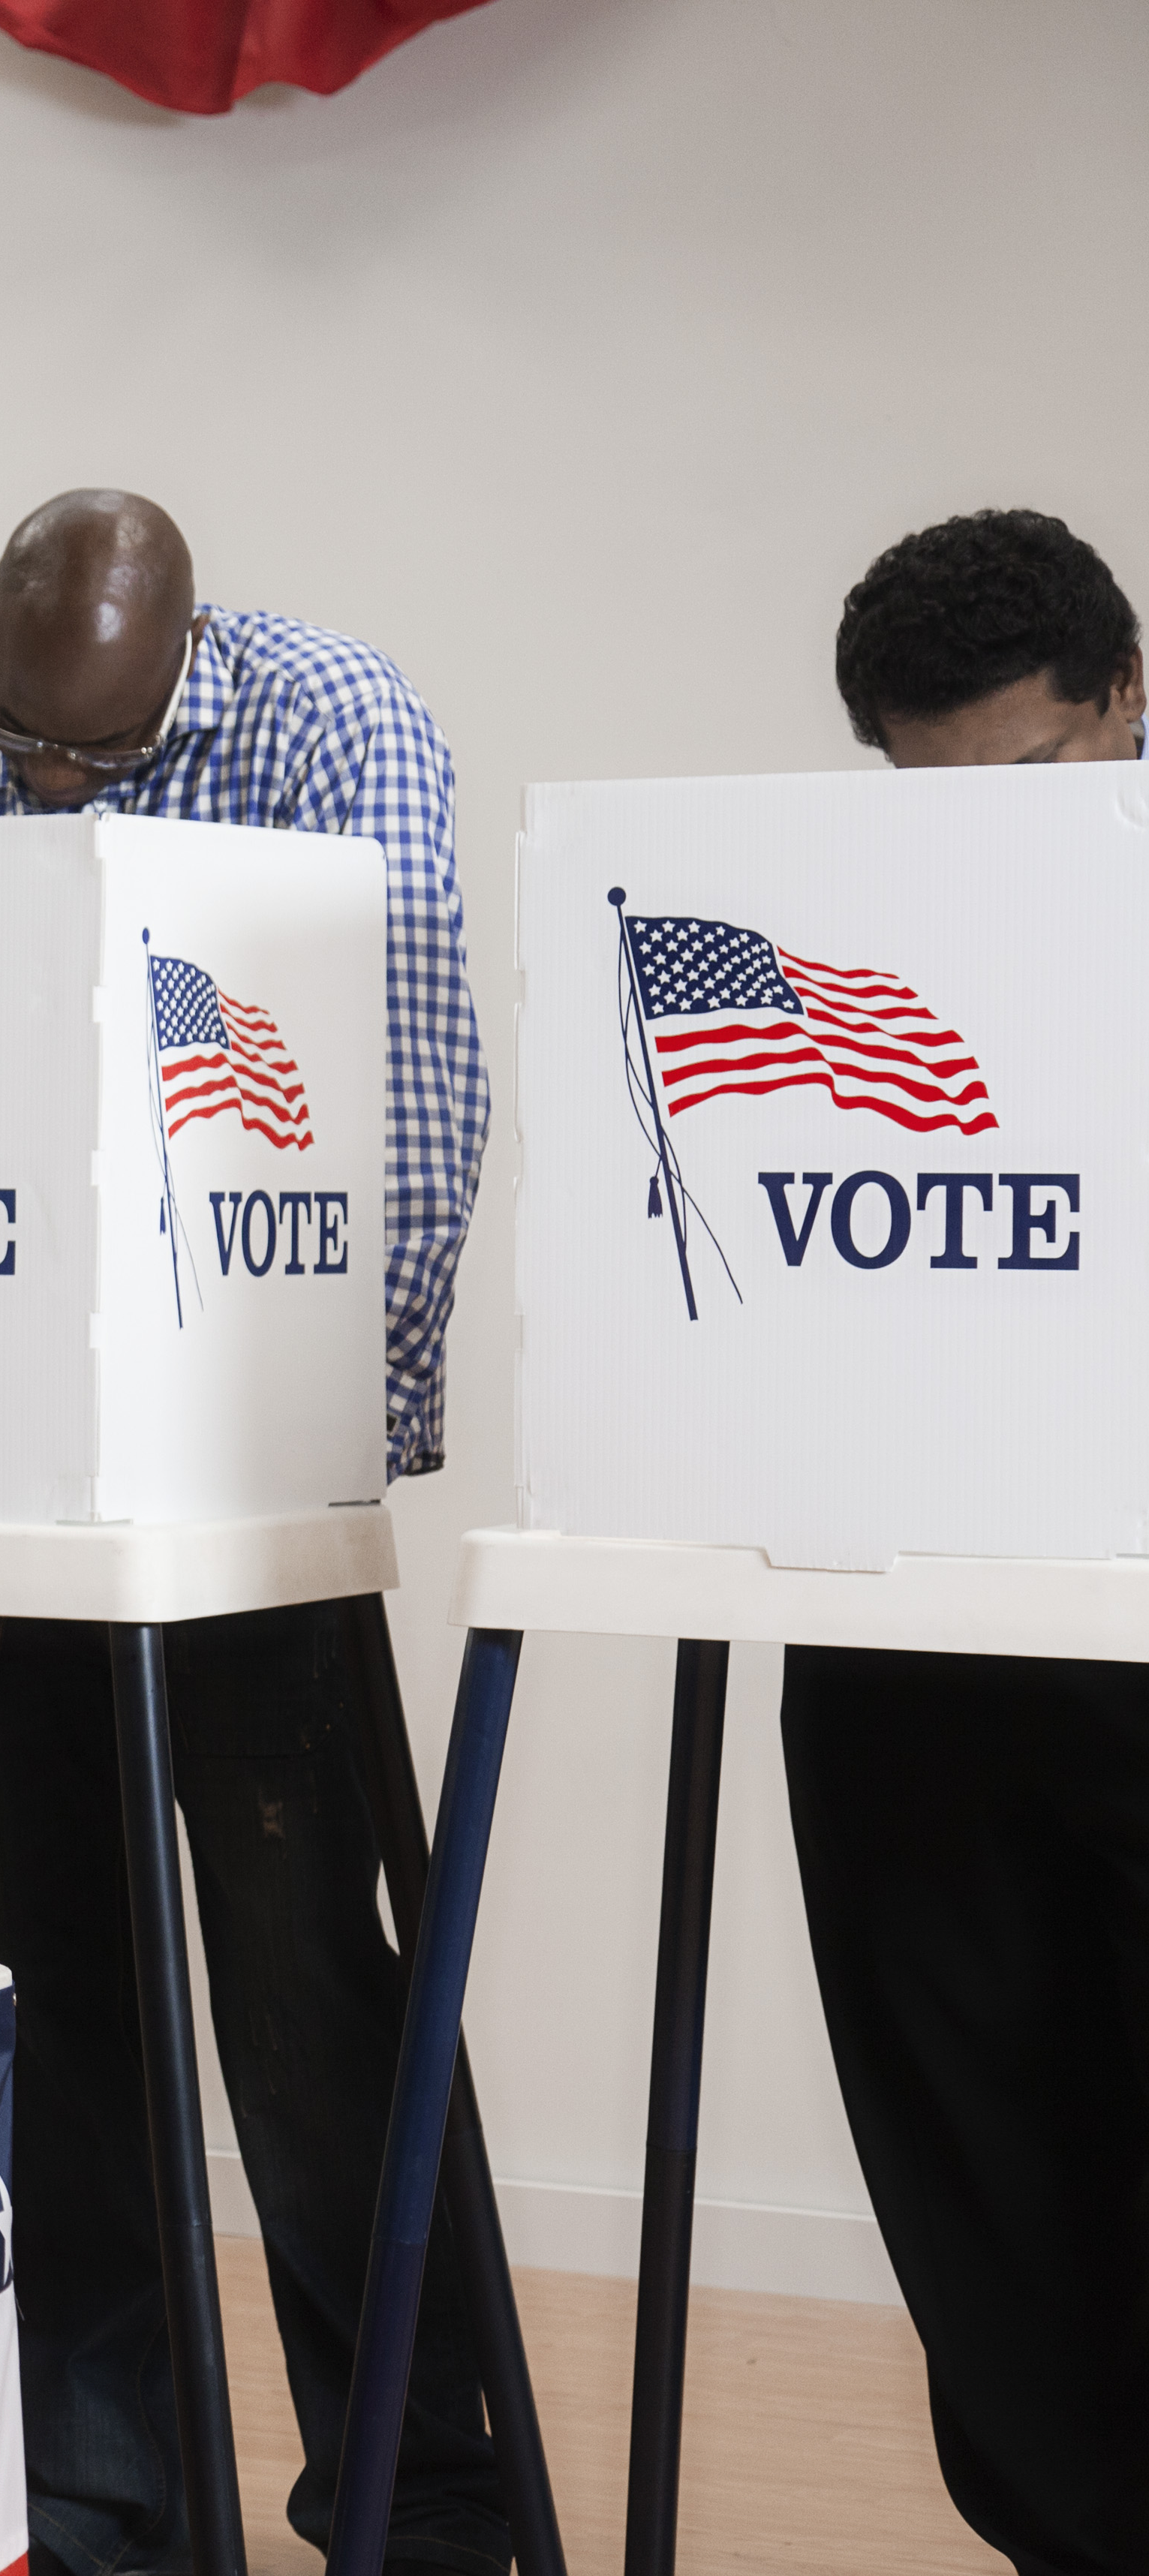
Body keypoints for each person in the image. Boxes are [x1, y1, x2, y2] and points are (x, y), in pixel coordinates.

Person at [0, 489, 503, 2573]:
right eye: (19, 741)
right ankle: (105, 2504)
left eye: (91, 762)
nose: (42, 782)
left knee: (311, 2005)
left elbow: (408, 1093)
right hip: (10, 1497)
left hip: (242, 1471)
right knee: (58, 1995)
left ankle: (418, 2499)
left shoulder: (333, 726)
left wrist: (325, 1452)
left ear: (185, 658)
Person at [787, 508, 1145, 2573]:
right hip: (906, 1607)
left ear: (1125, 699)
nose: (985, 839)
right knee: (965, 2142)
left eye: (1029, 783)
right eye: (933, 800)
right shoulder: (834, 930)